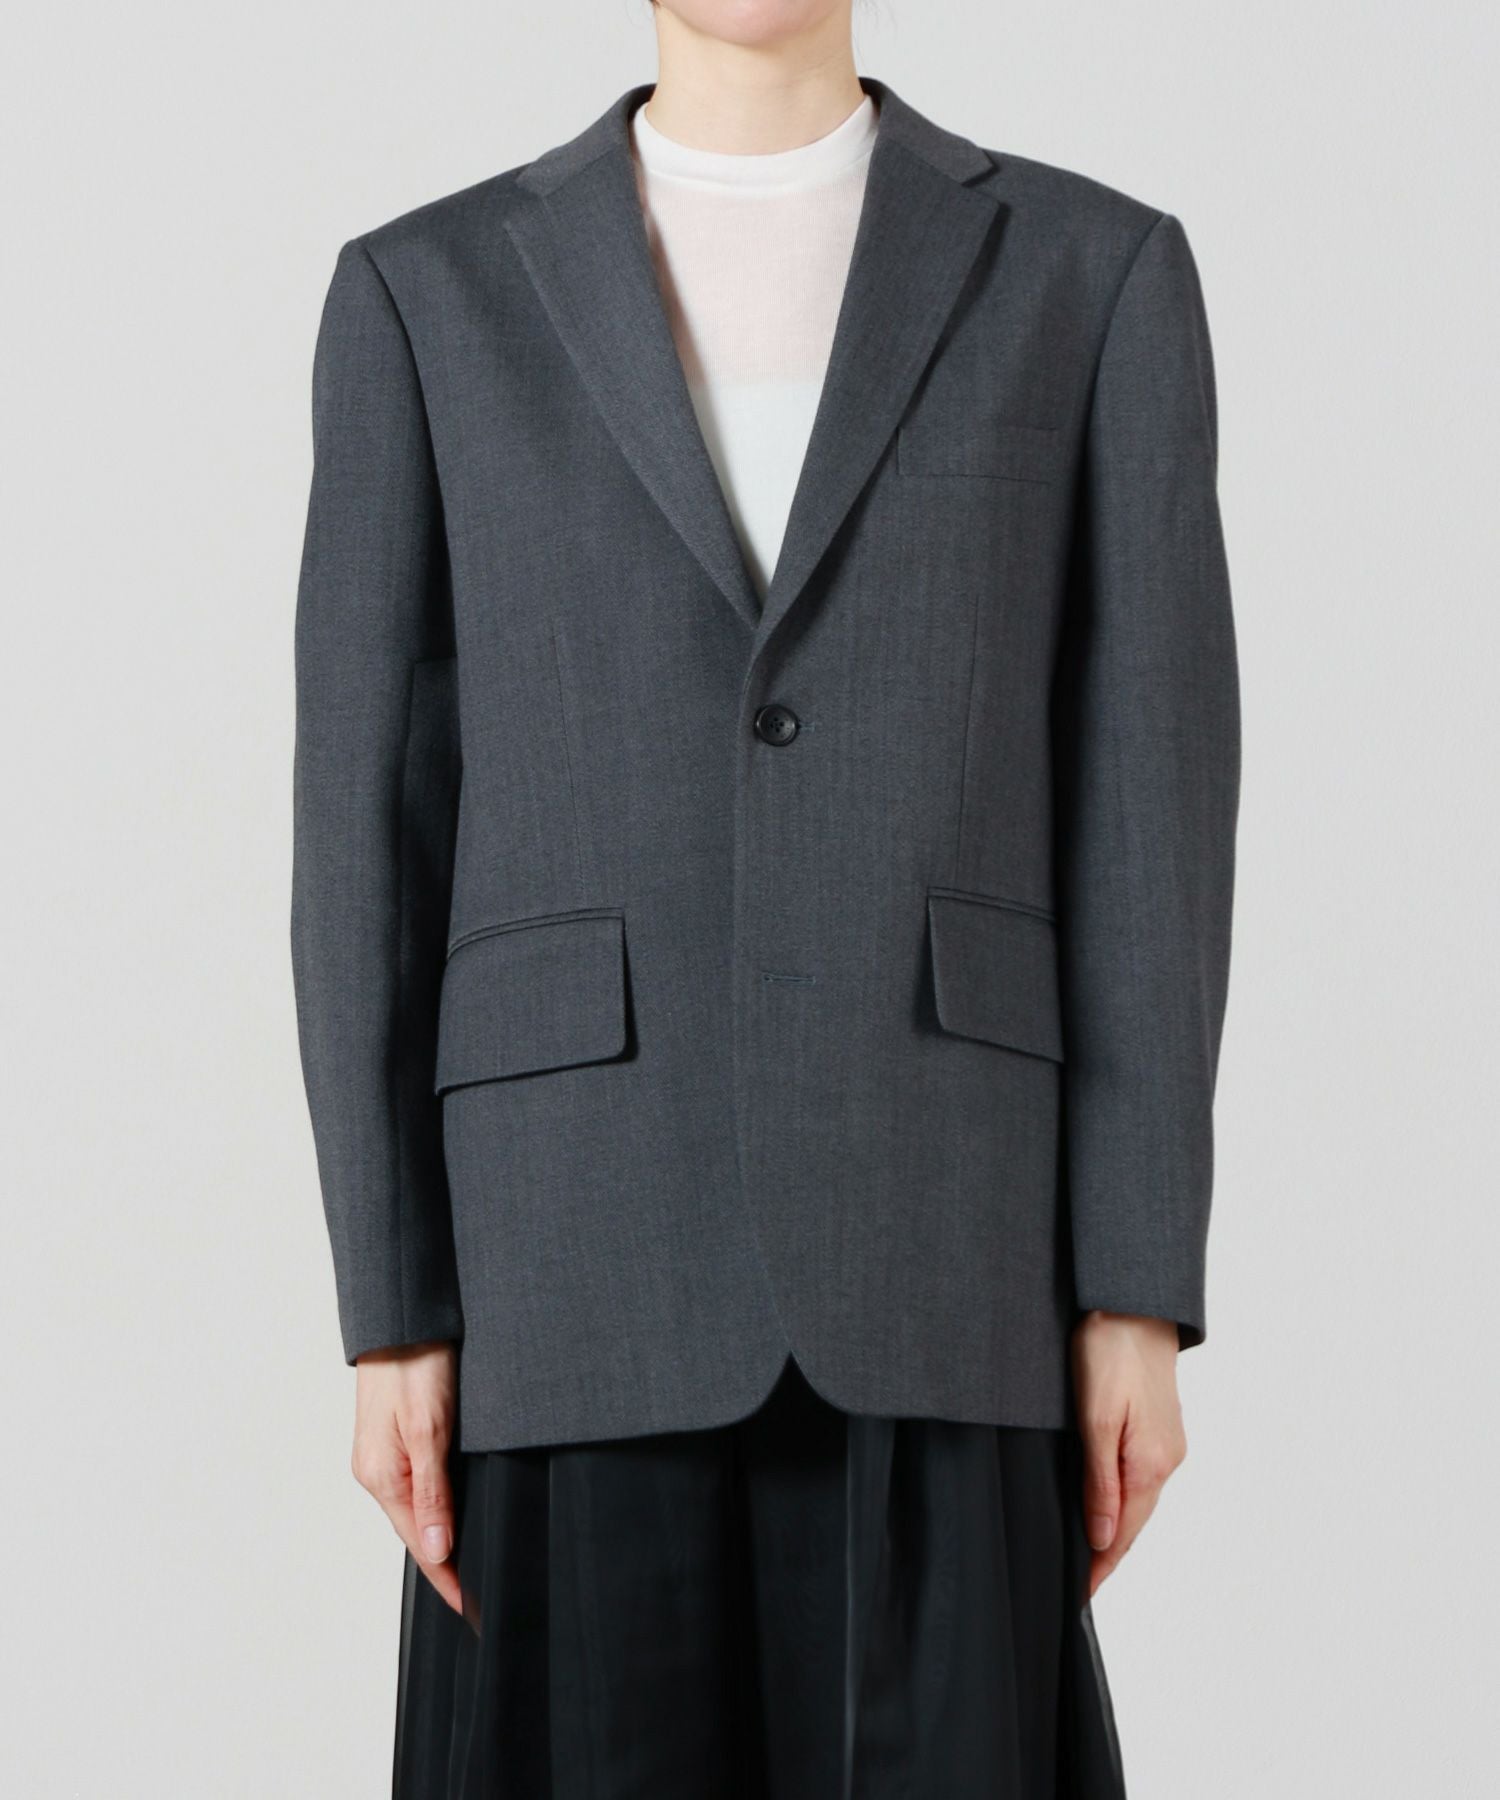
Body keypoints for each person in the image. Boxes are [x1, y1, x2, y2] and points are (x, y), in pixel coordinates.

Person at [291, 2, 1240, 1793]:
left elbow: (1152, 805)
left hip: (946, 1244)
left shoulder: (1092, 273)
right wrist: (392, 1305)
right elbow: (364, 837)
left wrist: (1134, 1284)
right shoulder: (426, 296)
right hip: (570, 1258)